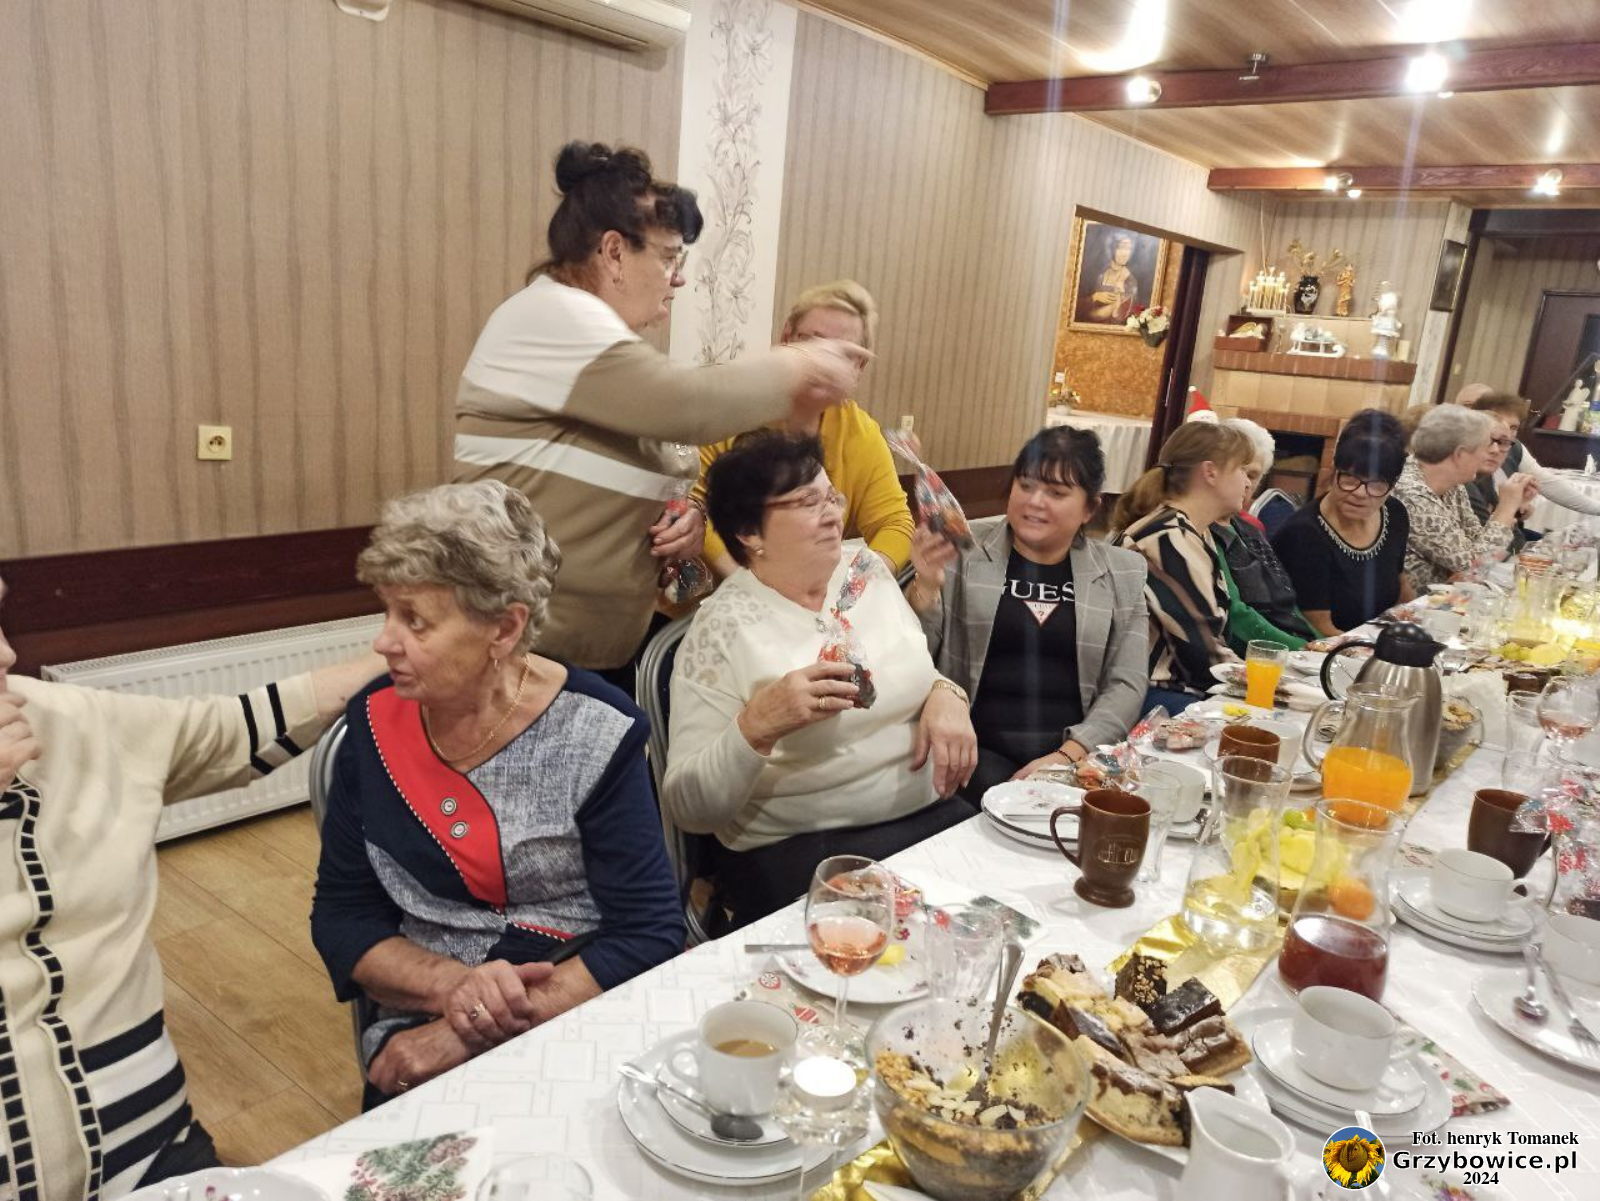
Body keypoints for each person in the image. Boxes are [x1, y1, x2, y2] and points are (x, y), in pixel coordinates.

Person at [0, 576, 381, 1201]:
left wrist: (395, 650)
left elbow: (227, 730)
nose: (7, 653)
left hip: (152, 1152)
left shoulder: (60, 718)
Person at [311, 482, 683, 1106]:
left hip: (580, 992)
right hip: (425, 1003)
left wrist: (470, 1031)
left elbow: (647, 931)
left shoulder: (597, 730)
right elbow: (343, 918)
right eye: (387, 612)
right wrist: (457, 993)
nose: (384, 641)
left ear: (505, 628)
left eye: (414, 620)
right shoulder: (374, 726)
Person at [452, 141, 861, 689]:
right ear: (614, 252)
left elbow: (656, 463)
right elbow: (688, 406)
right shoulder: (550, 317)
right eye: (669, 258)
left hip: (584, 654)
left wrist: (685, 524)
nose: (678, 278)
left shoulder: (603, 347)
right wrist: (803, 364)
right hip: (516, 653)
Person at [662, 433, 977, 930]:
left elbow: (909, 667)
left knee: (998, 929)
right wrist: (758, 725)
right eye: (809, 502)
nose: (832, 515)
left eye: (832, 498)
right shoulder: (721, 629)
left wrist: (947, 692)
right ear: (750, 532)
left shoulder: (865, 574)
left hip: (929, 816)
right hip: (805, 849)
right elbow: (689, 806)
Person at [906, 427, 1147, 798]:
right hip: (972, 750)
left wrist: (1068, 756)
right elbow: (912, 656)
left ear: (1090, 508)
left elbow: (1126, 684)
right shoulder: (961, 550)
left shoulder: (1122, 573)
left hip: (1075, 758)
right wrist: (925, 587)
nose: (1035, 502)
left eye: (1056, 493)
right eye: (1026, 485)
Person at [697, 281, 914, 577]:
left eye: (843, 352)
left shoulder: (859, 432)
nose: (823, 361)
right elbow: (695, 508)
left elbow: (894, 523)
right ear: (786, 339)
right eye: (812, 342)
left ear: (859, 366)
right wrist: (749, 582)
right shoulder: (731, 408)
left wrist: (853, 589)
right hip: (712, 590)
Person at [1111, 422, 1257, 714]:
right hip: (1146, 694)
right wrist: (1274, 685)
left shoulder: (1192, 531)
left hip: (1174, 688)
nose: (1247, 483)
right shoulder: (1167, 538)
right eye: (1242, 469)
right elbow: (1200, 652)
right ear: (1210, 472)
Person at [1272, 410, 1415, 635]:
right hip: (1328, 648)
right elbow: (1320, 629)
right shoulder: (1304, 534)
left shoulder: (1395, 513)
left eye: (1376, 484)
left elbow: (1401, 589)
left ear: (1393, 484)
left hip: (1376, 639)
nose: (1360, 493)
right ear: (1334, 470)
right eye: (1349, 478)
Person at [1394, 405, 1536, 589]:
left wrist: (1509, 509)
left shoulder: (1454, 487)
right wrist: (1506, 508)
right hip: (1414, 603)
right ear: (1459, 454)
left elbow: (1478, 545)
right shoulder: (1411, 493)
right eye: (1485, 447)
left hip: (1448, 597)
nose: (1491, 453)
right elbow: (1474, 567)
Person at [1214, 417, 1314, 650]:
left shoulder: (1251, 528)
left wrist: (1321, 643)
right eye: (1242, 472)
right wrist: (1303, 649)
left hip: (1288, 645)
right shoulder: (1205, 530)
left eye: (1253, 476)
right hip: (1253, 653)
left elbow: (1286, 602)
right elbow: (1236, 615)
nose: (1247, 484)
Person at [1467, 390, 1600, 528]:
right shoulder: (1467, 474)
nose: (1506, 433)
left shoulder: (1515, 447)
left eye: (1513, 427)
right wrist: (1510, 508)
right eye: (1499, 424)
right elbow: (1481, 531)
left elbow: (1548, 483)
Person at [1085, 233, 1139, 322]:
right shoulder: (1100, 274)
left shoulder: (1130, 281)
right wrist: (1094, 297)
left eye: (1129, 248)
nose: (1125, 253)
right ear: (1111, 249)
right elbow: (1081, 310)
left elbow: (1118, 316)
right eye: (1121, 248)